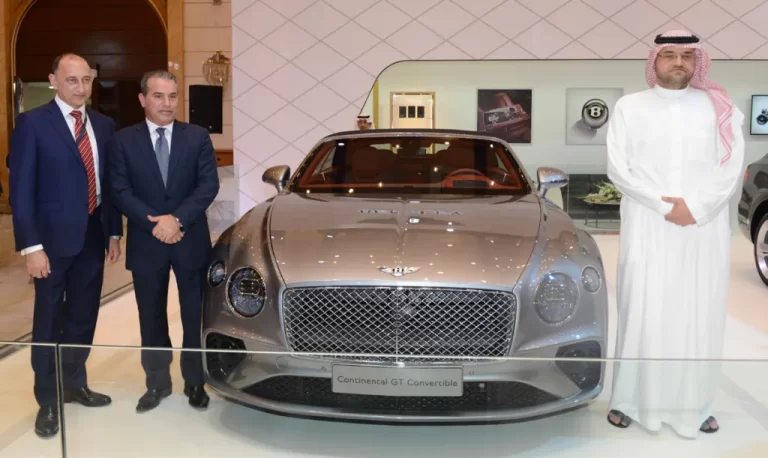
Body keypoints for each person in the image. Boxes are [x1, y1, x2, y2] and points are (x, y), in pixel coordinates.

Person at [605, 30, 745, 438]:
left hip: (704, 227)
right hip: (648, 223)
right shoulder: (630, 106)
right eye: (669, 54)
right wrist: (667, 206)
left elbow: (732, 166)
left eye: (687, 55)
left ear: (698, 61)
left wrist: (696, 207)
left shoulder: (721, 108)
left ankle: (696, 405)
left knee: (699, 313)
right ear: (655, 60)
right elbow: (618, 168)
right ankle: (629, 401)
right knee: (643, 310)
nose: (678, 62)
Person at [9, 53, 123, 438]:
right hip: (51, 243)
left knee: (82, 316)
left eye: (86, 80)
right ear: (53, 81)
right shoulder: (32, 124)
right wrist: (31, 247)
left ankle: (74, 384)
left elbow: (109, 185)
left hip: (92, 237)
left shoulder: (104, 125)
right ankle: (47, 399)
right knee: (48, 320)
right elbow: (21, 192)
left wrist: (113, 232)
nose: (80, 87)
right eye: (71, 80)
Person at [108, 70, 220, 413]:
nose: (167, 103)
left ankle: (195, 381)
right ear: (143, 99)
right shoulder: (123, 140)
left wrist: (177, 220)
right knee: (151, 316)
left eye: (172, 96)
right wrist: (154, 224)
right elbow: (119, 190)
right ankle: (156, 383)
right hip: (147, 240)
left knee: (194, 315)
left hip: (190, 238)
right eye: (159, 96)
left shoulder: (197, 136)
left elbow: (208, 185)